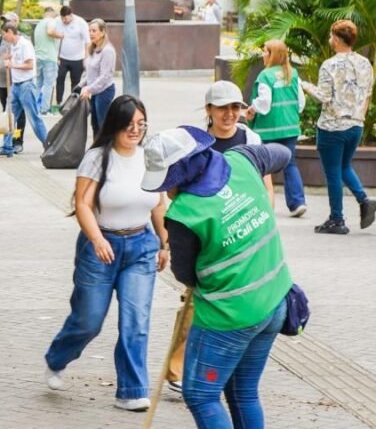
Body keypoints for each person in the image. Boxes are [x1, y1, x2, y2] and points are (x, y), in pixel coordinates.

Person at [141, 126, 296, 429]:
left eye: (168, 179)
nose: (167, 189)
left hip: (230, 317)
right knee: (243, 391)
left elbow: (185, 273)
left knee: (201, 395)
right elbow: (283, 154)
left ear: (183, 172)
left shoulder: (184, 213)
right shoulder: (243, 159)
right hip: (274, 301)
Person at [45, 95, 168, 412]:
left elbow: (158, 204)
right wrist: (97, 239)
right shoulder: (97, 158)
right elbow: (83, 204)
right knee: (89, 320)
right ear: (114, 125)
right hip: (100, 247)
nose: (135, 130)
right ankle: (57, 358)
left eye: (141, 124)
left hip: (141, 247)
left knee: (136, 322)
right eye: (129, 124)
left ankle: (132, 390)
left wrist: (165, 243)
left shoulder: (151, 158)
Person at [302, 19, 376, 234]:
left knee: (333, 173)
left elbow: (324, 96)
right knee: (344, 167)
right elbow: (367, 93)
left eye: (330, 36)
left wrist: (305, 86)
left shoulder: (329, 65)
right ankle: (364, 200)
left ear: (335, 39)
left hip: (332, 128)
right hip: (356, 125)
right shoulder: (365, 63)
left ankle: (337, 219)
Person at [248, 40, 307, 217]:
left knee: (262, 166)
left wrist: (252, 108)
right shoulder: (292, 73)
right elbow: (301, 103)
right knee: (290, 164)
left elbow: (264, 105)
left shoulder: (265, 76)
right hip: (290, 128)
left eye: (265, 51)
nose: (263, 55)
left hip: (268, 130)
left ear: (272, 55)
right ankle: (298, 203)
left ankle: (262, 203)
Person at [0, 22, 50, 158]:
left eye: (4, 34)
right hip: (15, 85)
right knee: (9, 116)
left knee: (33, 117)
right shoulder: (12, 46)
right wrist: (10, 59)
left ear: (10, 32)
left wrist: (13, 65)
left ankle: (49, 145)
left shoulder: (25, 44)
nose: (3, 37)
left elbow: (30, 65)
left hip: (26, 85)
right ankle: (7, 146)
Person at [0, 15, 25, 154]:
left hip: (16, 82)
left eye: (9, 21)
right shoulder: (0, 38)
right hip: (2, 82)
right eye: (4, 21)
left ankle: (17, 141)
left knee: (18, 114)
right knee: (6, 114)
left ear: (16, 23)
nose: (6, 23)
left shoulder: (22, 40)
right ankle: (7, 143)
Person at [79, 19, 117, 136]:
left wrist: (88, 89)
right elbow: (90, 73)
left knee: (103, 125)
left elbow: (105, 76)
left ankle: (107, 146)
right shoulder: (92, 49)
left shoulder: (108, 51)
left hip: (104, 91)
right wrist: (80, 85)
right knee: (95, 124)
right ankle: (98, 146)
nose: (91, 33)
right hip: (95, 91)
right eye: (89, 31)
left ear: (102, 32)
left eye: (94, 31)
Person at [54, 5, 89, 105]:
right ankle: (59, 102)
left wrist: (86, 57)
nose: (64, 21)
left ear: (71, 15)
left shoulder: (81, 22)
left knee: (76, 82)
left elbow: (87, 42)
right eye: (62, 18)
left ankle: (73, 103)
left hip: (77, 58)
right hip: (62, 57)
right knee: (59, 79)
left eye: (65, 19)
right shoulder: (57, 21)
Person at [33, 7, 59, 114]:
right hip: (49, 58)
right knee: (48, 84)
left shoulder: (39, 24)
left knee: (38, 84)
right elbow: (50, 31)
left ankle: (33, 108)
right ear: (51, 13)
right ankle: (45, 109)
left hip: (38, 57)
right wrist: (60, 35)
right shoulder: (51, 21)